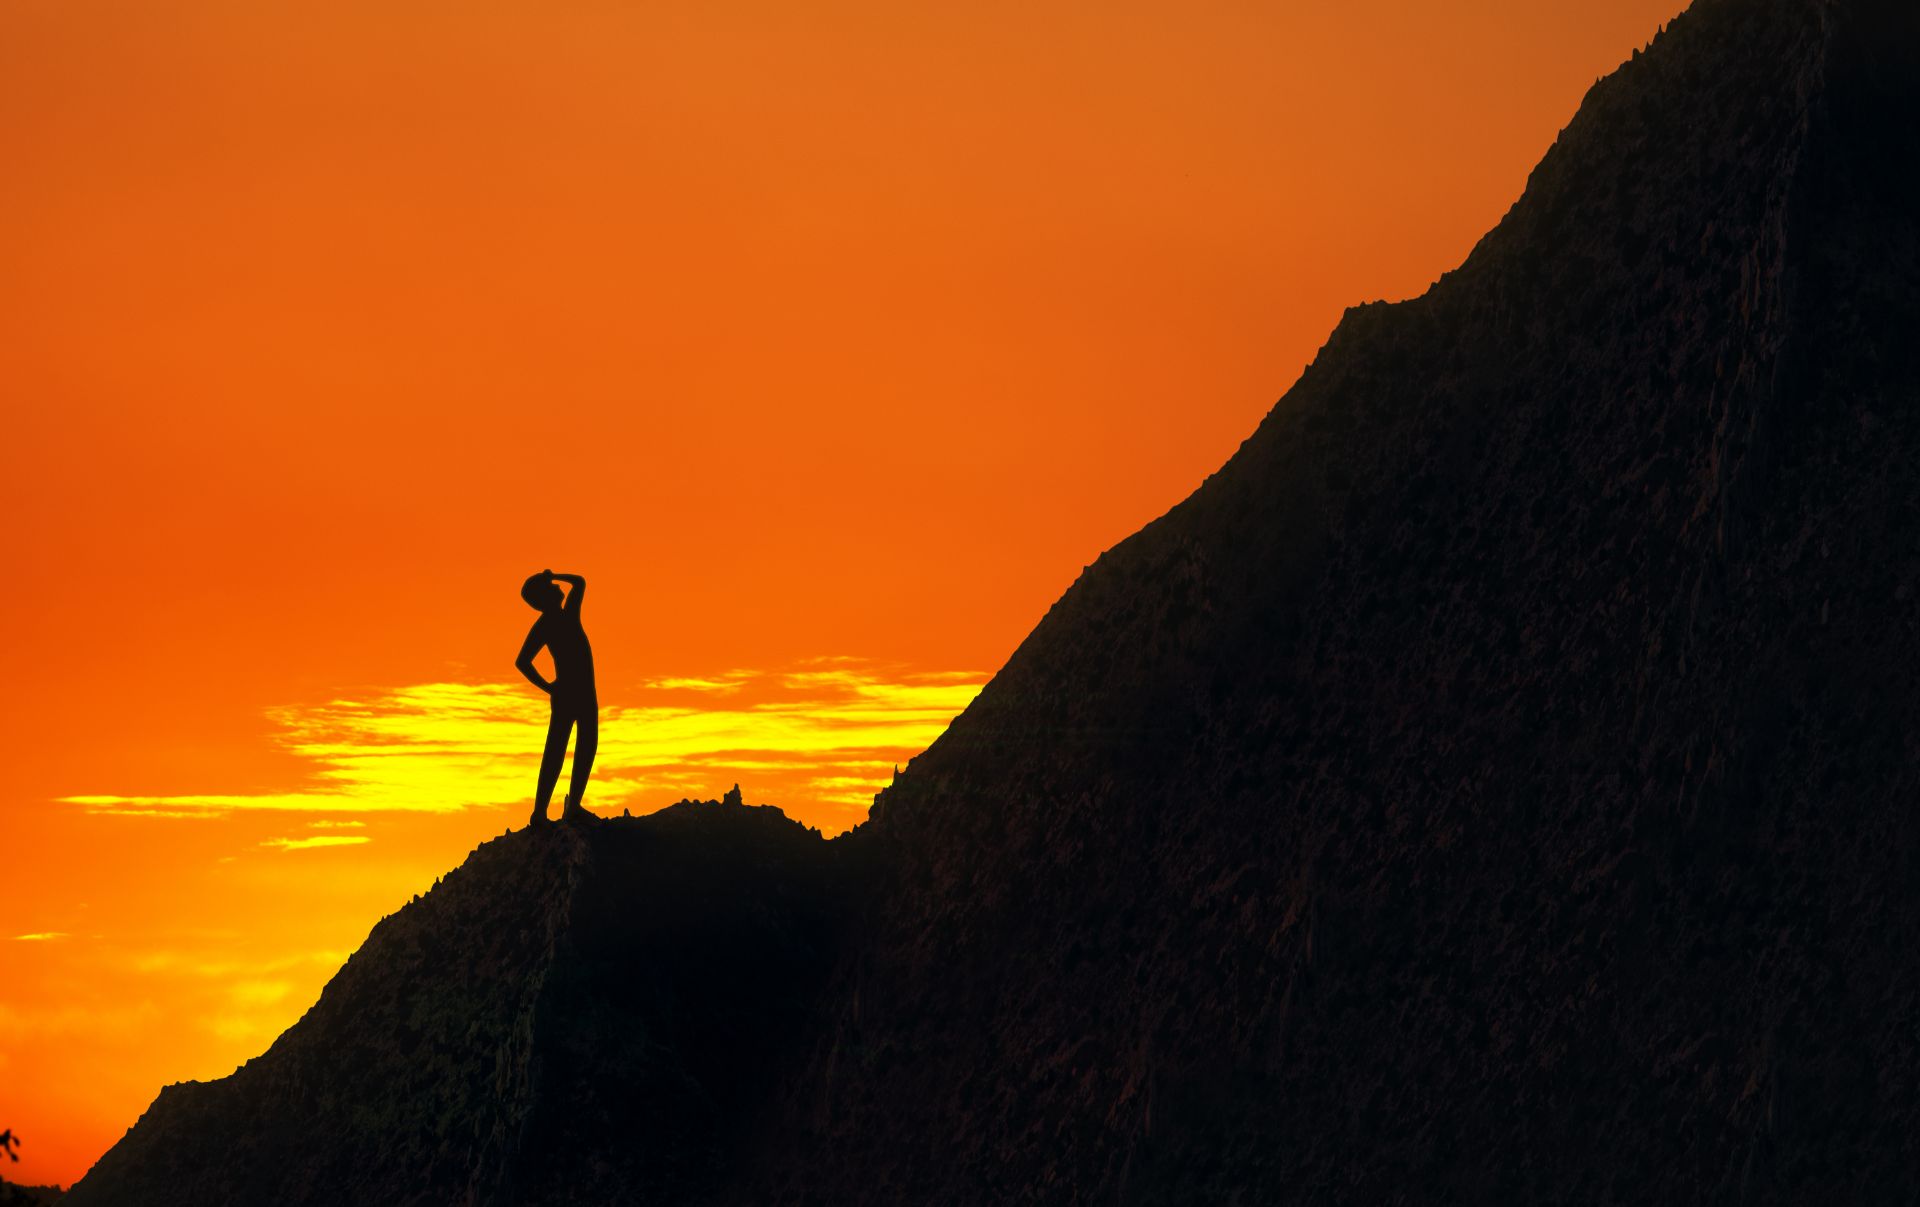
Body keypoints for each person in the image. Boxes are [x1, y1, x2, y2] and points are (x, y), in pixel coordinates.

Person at [515, 569, 597, 826]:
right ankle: (539, 813)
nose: (557, 586)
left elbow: (580, 582)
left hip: (585, 692)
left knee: (587, 744)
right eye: (551, 585)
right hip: (567, 694)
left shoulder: (569, 613)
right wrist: (549, 688)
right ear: (545, 595)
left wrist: (550, 574)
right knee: (556, 751)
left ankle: (573, 806)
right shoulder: (546, 623)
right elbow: (522, 661)